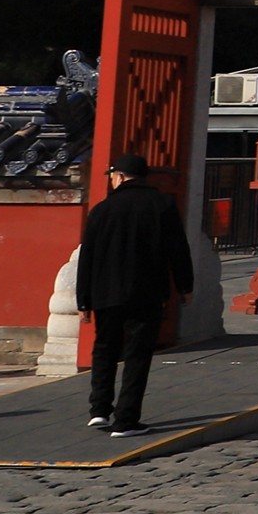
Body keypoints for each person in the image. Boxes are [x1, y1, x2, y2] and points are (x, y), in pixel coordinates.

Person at [76, 154, 195, 435]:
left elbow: (87, 258)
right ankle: (126, 419)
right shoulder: (162, 205)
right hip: (146, 292)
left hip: (105, 293)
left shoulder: (102, 210)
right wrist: (185, 286)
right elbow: (178, 249)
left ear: (118, 176)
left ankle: (99, 410)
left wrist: (83, 300)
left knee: (104, 349)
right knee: (137, 355)